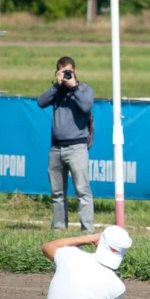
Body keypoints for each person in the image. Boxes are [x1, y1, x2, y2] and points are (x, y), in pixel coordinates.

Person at [38, 56, 95, 232]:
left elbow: (86, 106)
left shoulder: (84, 89)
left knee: (82, 190)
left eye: (69, 72)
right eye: (63, 72)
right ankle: (59, 229)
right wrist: (57, 85)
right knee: (57, 193)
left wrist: (73, 86)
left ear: (75, 71)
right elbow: (41, 102)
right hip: (55, 148)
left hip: (76, 148)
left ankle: (87, 230)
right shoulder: (57, 92)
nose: (66, 75)